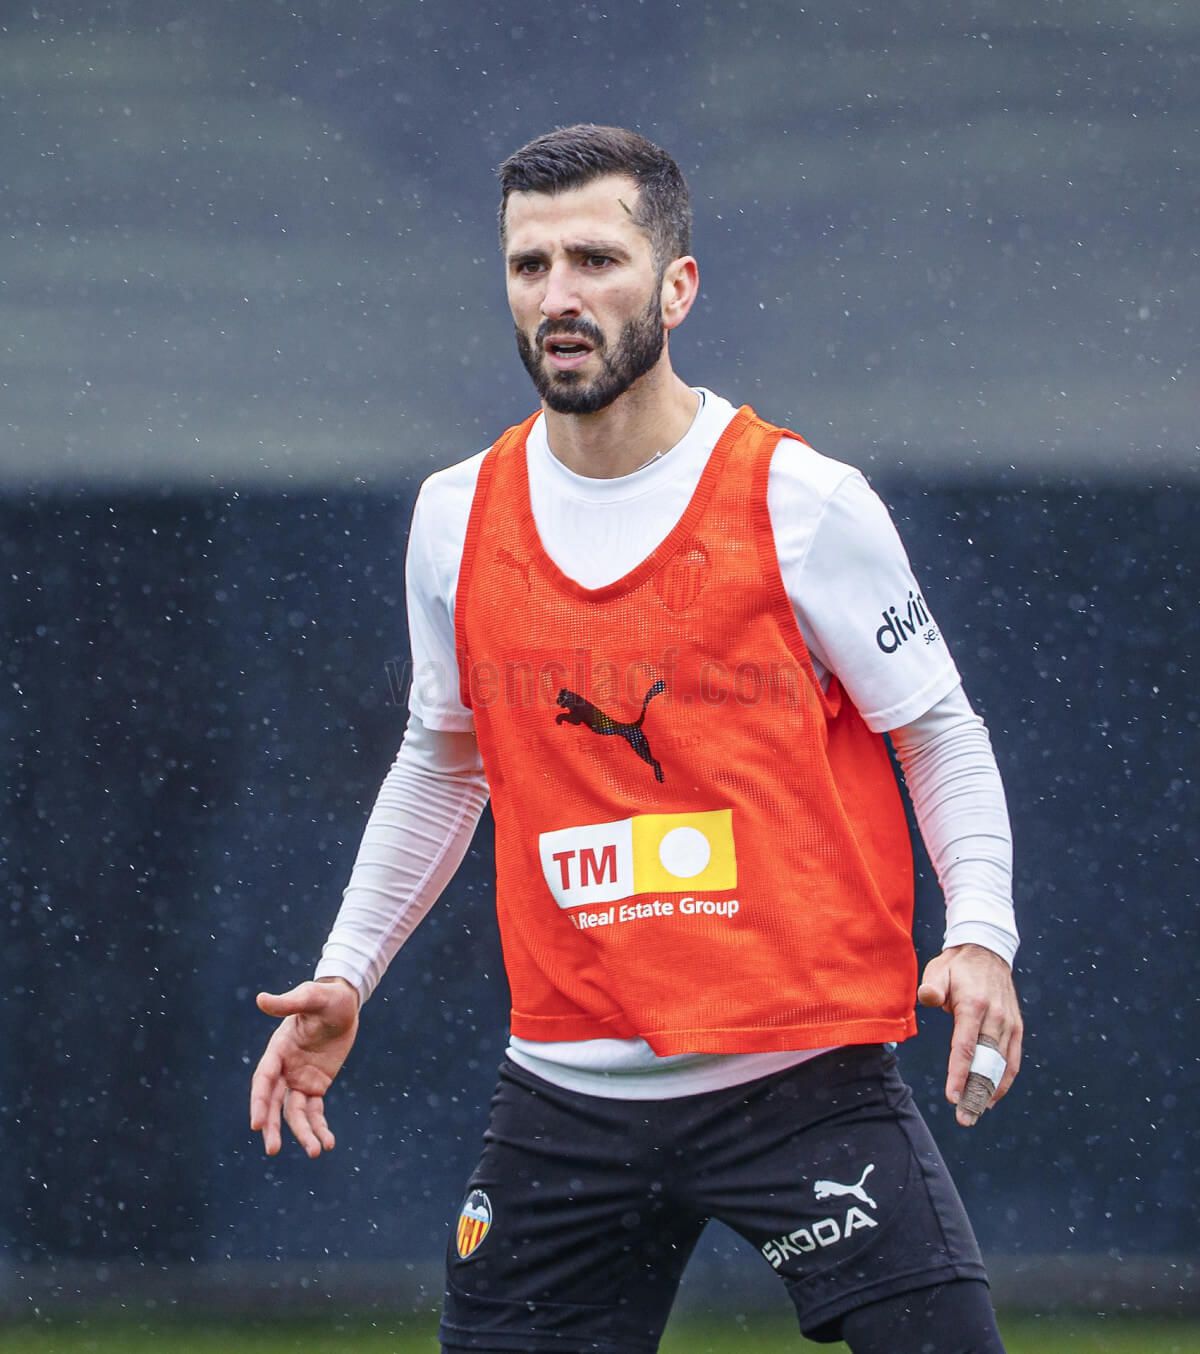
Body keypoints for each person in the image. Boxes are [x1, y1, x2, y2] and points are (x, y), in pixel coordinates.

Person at [250, 124, 1022, 1354]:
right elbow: (444, 758)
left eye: (596, 259)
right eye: (529, 264)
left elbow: (937, 731)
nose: (558, 297)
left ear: (678, 285)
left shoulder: (801, 501)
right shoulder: (455, 518)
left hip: (802, 1081)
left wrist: (980, 933)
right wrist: (348, 969)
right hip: (566, 1095)